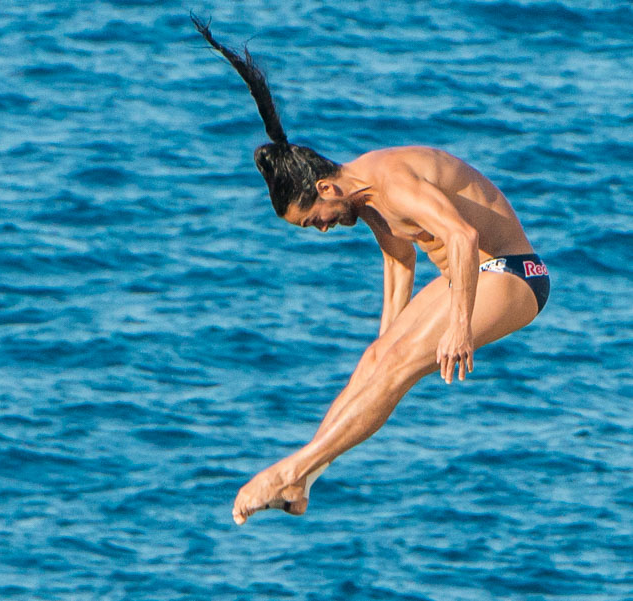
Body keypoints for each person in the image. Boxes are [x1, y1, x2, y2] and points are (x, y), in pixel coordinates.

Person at [191, 16, 550, 525]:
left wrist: (459, 327)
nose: (321, 230)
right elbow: (400, 261)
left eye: (314, 220)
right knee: (379, 360)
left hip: (514, 272)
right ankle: (306, 480)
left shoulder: (390, 183)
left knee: (397, 369)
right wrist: (383, 352)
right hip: (470, 275)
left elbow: (462, 237)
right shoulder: (367, 202)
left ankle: (288, 470)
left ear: (325, 189)